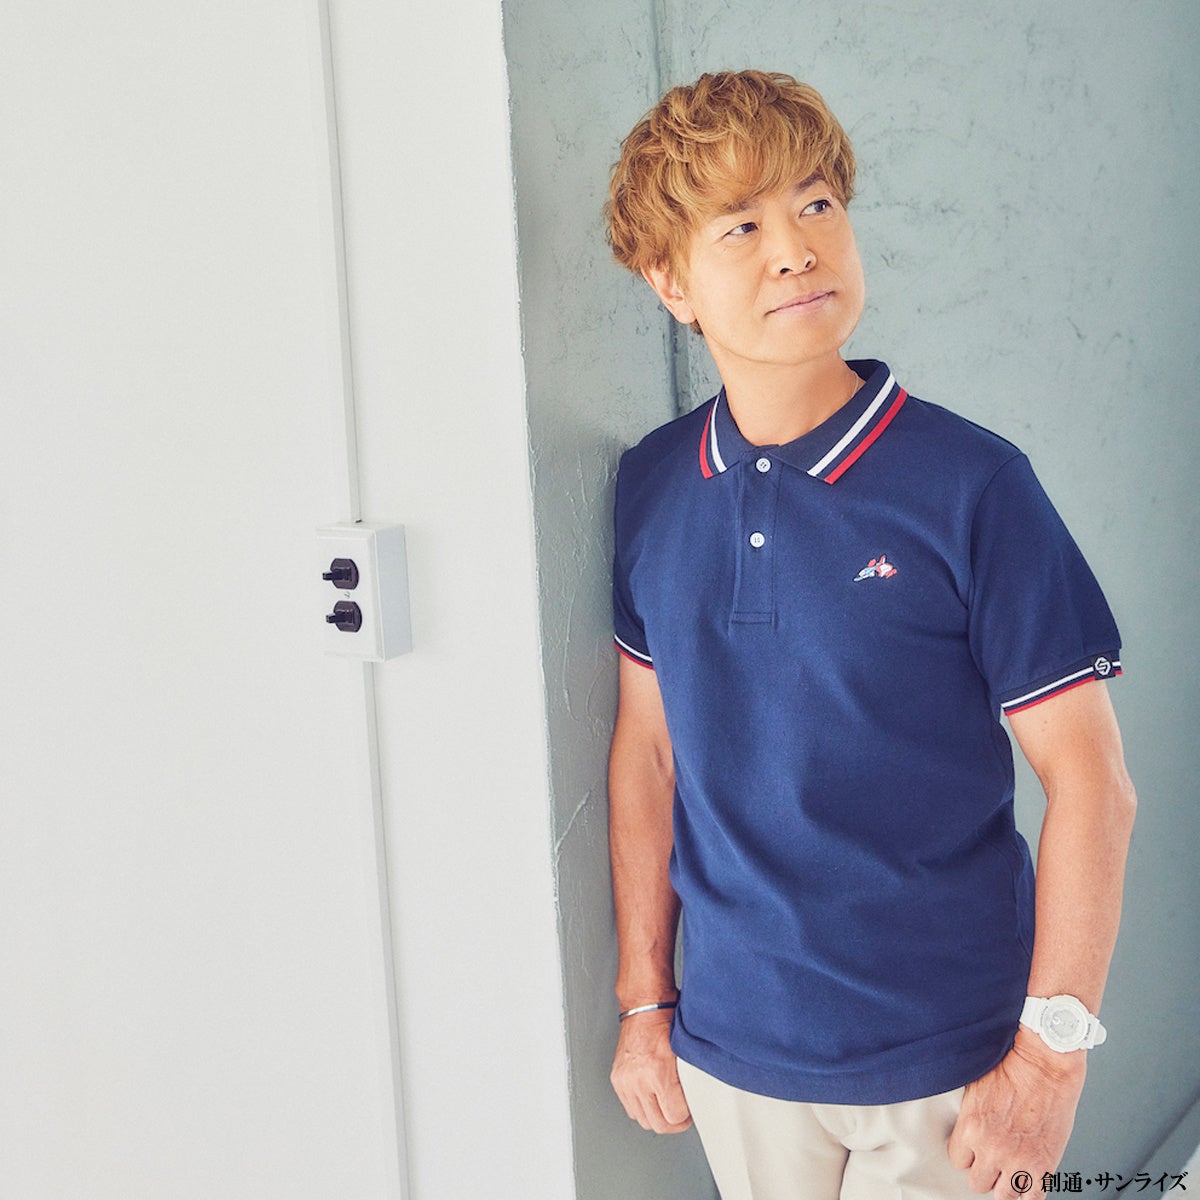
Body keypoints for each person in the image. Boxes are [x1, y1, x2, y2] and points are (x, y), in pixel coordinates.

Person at [603, 70, 1136, 1200]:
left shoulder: (973, 484)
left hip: (957, 1061)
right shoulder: (651, 489)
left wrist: (1050, 1060)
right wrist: (644, 1003)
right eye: (742, 226)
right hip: (737, 1054)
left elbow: (1092, 783)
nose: (795, 250)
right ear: (670, 281)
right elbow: (647, 756)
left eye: (817, 205)